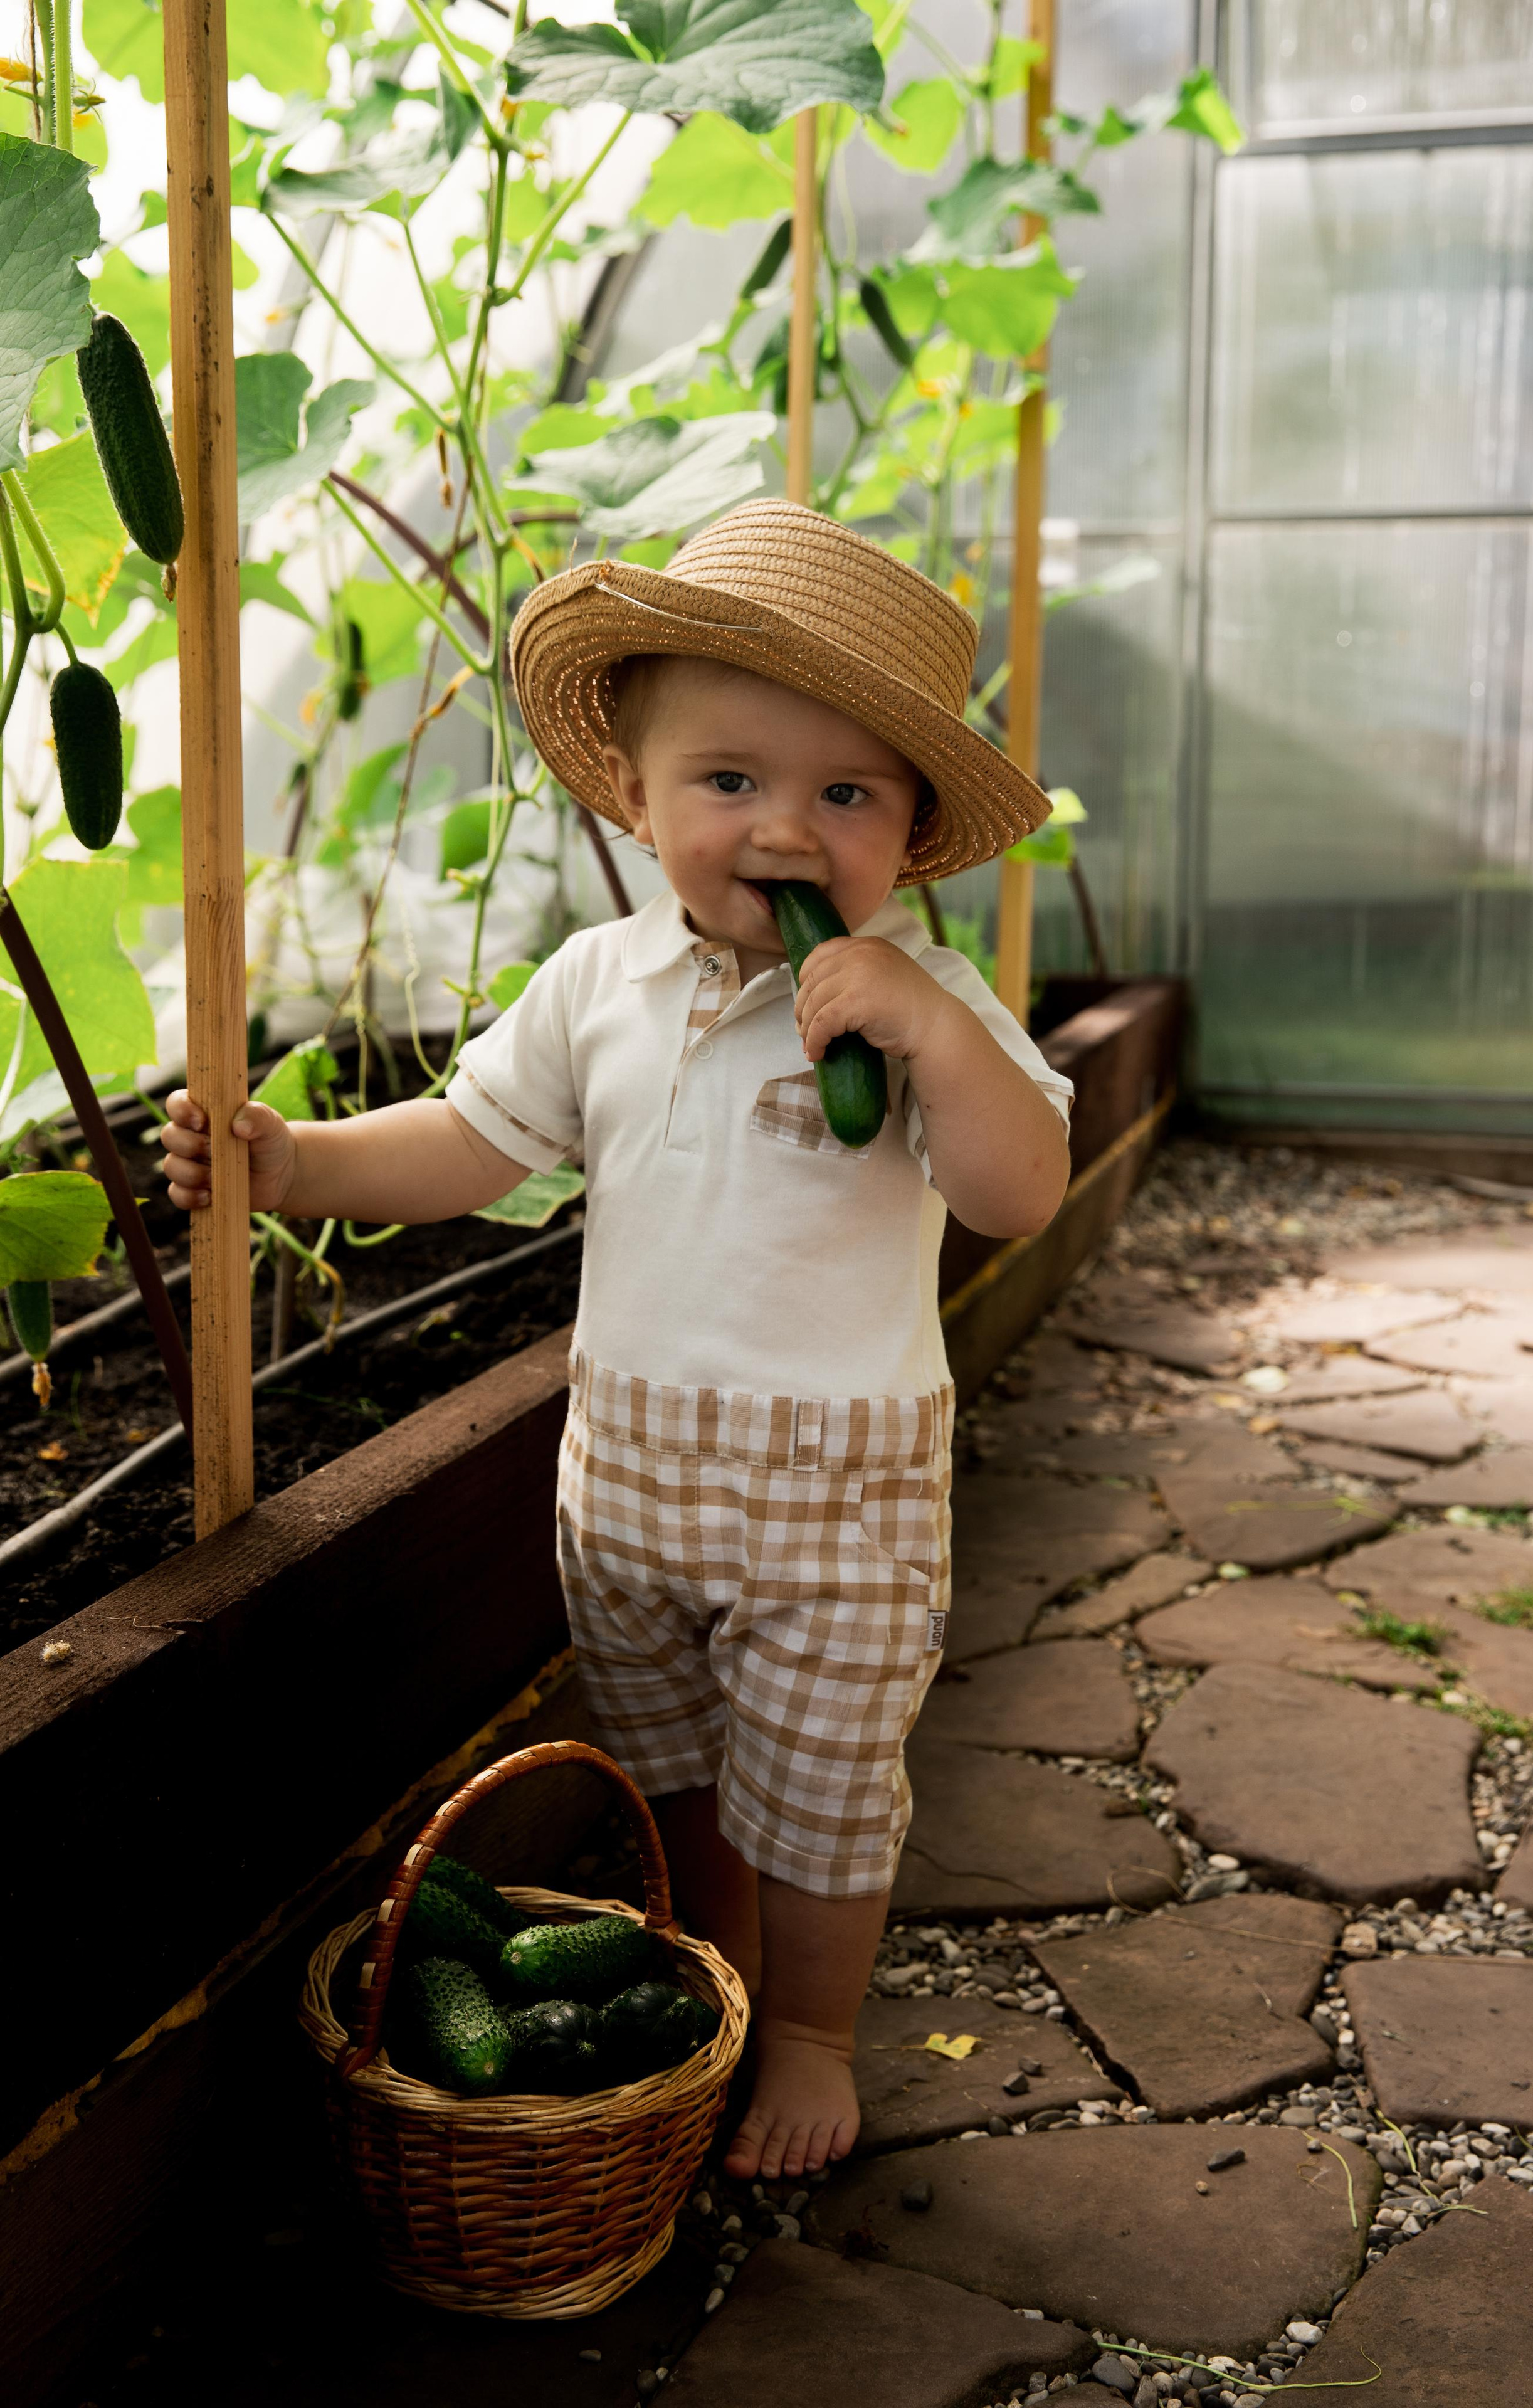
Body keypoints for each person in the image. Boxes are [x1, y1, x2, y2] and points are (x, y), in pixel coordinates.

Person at [161, 500, 1072, 2184]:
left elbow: (1021, 1190)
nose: (784, 827)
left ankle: (806, 2034)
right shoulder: (597, 986)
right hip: (631, 1483)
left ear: (911, 831)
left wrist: (937, 1031)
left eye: (845, 794)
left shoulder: (926, 1004)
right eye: (730, 781)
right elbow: (465, 1144)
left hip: (843, 1512)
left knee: (821, 1793)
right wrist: (299, 1162)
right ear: (635, 795)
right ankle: (713, 1977)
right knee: (674, 1777)